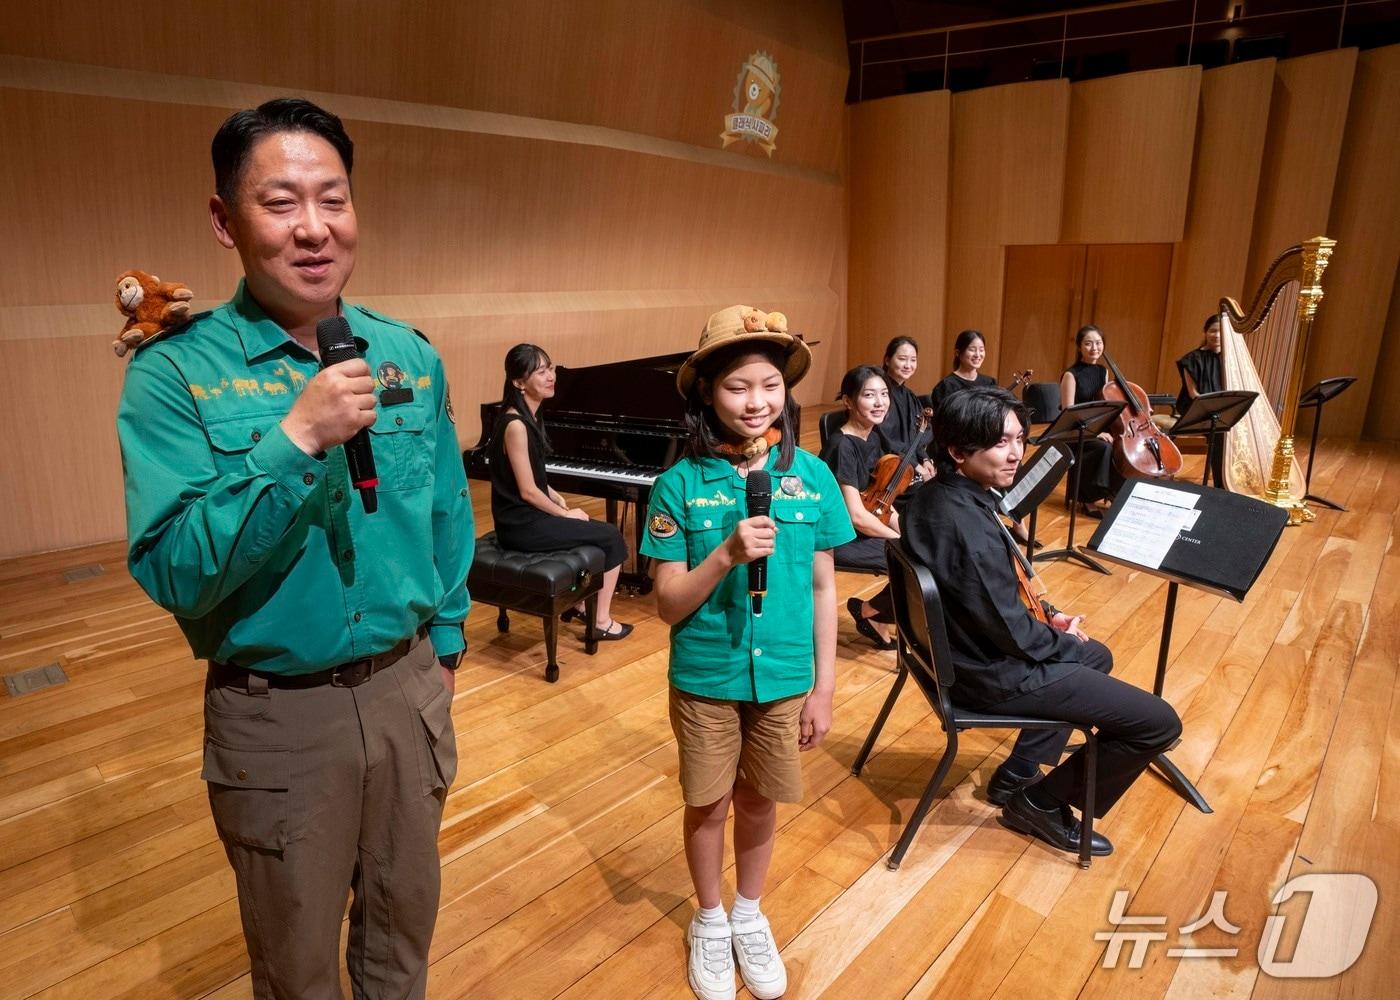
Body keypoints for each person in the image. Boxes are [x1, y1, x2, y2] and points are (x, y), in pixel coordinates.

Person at [116, 98, 472, 999]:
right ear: (224, 221)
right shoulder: (175, 374)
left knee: (401, 945)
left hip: (408, 693)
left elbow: (444, 515)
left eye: (334, 198)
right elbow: (175, 569)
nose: (314, 229)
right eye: (281, 202)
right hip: (277, 721)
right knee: (296, 967)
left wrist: (448, 651)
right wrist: (295, 439)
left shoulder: (408, 355)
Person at [641, 305, 854, 1000]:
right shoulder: (679, 485)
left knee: (760, 802)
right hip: (706, 674)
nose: (757, 402)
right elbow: (666, 602)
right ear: (706, 392)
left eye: (769, 385)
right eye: (737, 387)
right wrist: (726, 555)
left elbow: (824, 587)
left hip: (787, 674)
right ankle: (709, 918)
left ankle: (749, 914)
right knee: (707, 804)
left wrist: (824, 688)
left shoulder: (814, 477)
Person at [902, 387, 1181, 858]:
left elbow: (995, 601)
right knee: (1157, 723)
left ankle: (1019, 770)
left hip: (959, 652)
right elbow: (1011, 632)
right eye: (1000, 444)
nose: (1015, 455)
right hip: (988, 673)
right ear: (957, 451)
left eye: (1018, 440)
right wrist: (1061, 639)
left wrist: (1051, 617)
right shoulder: (964, 524)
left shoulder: (939, 497)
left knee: (1098, 654)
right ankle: (1040, 803)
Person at [489, 343, 633, 639]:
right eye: (540, 371)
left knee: (596, 533)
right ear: (519, 382)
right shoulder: (515, 424)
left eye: (550, 368)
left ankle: (579, 605)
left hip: (526, 518)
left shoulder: (528, 416)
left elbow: (528, 478)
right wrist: (565, 514)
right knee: (611, 537)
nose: (550, 376)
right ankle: (600, 622)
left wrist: (552, 492)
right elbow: (528, 492)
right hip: (520, 526)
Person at [819, 365, 899, 650]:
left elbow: (881, 498)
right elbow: (855, 515)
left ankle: (874, 612)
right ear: (849, 401)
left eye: (884, 394)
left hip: (861, 525)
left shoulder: (873, 436)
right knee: (911, 559)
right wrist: (899, 540)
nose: (880, 402)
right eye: (869, 395)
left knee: (924, 549)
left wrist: (900, 526)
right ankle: (872, 612)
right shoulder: (842, 446)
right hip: (838, 535)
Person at [1059, 324, 1120, 517]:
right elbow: (1070, 413)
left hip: (1096, 427)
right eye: (1088, 343)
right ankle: (1088, 498)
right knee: (1102, 447)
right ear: (1079, 347)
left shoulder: (1103, 372)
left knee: (1119, 444)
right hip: (1076, 430)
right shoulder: (1071, 375)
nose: (1094, 348)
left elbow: (1104, 404)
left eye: (1098, 343)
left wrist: (1106, 429)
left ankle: (1113, 492)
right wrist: (1096, 432)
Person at [877, 336, 936, 482]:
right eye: (902, 359)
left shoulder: (909, 395)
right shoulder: (881, 394)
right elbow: (887, 439)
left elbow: (917, 434)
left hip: (910, 462)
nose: (908, 365)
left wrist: (925, 459)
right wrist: (916, 465)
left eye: (913, 360)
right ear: (887, 360)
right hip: (889, 466)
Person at [1176, 315, 1226, 485]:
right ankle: (1221, 484)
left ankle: (1237, 479)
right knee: (1220, 432)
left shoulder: (1230, 360)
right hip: (1197, 409)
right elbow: (1193, 394)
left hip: (1222, 409)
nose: (1217, 335)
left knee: (1234, 429)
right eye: (1212, 331)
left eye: (1221, 331)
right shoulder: (1191, 359)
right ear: (1205, 332)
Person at [927, 328, 996, 413]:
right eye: (972, 350)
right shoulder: (946, 386)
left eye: (981, 350)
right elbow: (942, 422)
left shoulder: (990, 383)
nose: (978, 355)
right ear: (957, 353)